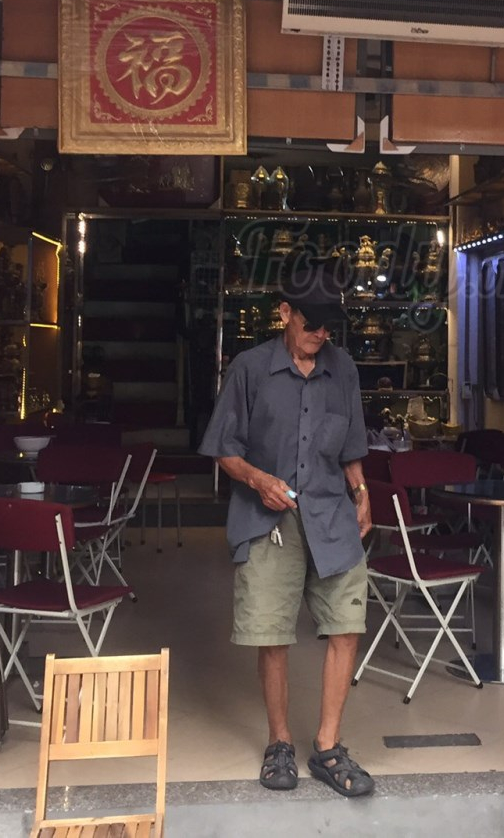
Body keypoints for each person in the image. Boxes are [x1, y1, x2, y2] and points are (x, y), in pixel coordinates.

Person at [198, 259, 375, 797]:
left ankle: (327, 745)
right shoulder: (250, 369)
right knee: (272, 634)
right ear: (284, 314)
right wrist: (256, 479)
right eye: (311, 324)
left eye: (328, 326)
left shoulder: (343, 370)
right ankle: (279, 742)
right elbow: (224, 449)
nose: (320, 335)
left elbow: (351, 447)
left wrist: (362, 492)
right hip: (267, 517)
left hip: (331, 513)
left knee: (347, 625)